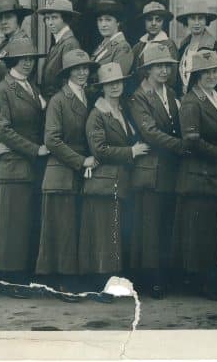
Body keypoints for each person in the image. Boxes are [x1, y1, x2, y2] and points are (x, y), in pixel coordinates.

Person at [174, 50, 217, 301]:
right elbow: (191, 141)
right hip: (197, 175)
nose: (212, 76)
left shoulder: (214, 97)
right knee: (200, 231)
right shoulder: (192, 101)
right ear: (196, 76)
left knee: (208, 230)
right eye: (206, 72)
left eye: (214, 71)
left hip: (210, 174)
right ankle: (203, 283)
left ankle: (206, 280)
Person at [81, 62, 150, 293]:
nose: (114, 87)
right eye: (109, 84)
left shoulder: (122, 110)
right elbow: (98, 149)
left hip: (119, 180)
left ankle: (112, 282)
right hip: (104, 181)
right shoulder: (97, 114)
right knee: (104, 233)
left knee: (114, 232)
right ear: (102, 87)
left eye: (118, 82)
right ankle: (101, 284)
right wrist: (131, 151)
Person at [0, 38, 49, 295]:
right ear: (11, 61)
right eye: (22, 59)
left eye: (31, 60)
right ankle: (7, 279)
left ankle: (19, 276)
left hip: (28, 168)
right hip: (12, 168)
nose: (27, 64)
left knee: (23, 224)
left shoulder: (31, 87)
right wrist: (35, 149)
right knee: (10, 226)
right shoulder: (3, 90)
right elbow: (4, 131)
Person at [128, 43, 186, 299]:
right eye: (158, 66)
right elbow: (149, 132)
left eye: (167, 66)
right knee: (150, 227)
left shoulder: (170, 92)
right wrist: (181, 146)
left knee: (165, 225)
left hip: (169, 168)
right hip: (151, 170)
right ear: (147, 70)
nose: (163, 70)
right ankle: (151, 280)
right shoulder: (139, 97)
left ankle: (163, 276)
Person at [37, 49, 96, 294]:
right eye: (77, 69)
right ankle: (64, 282)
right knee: (63, 228)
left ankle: (74, 277)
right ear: (68, 73)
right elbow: (52, 140)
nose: (82, 73)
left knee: (75, 227)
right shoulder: (59, 100)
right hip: (62, 171)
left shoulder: (90, 96)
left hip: (81, 171)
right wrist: (81, 161)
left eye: (86, 68)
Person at [175, 1, 217, 95]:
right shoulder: (184, 46)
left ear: (206, 21)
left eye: (200, 18)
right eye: (192, 18)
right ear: (187, 21)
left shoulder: (213, 47)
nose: (196, 23)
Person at [38, 0, 82, 100]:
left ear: (65, 18)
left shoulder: (69, 43)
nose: (50, 22)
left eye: (54, 17)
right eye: (47, 18)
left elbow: (69, 81)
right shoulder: (59, 41)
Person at [0, 0, 34, 87]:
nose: (3, 22)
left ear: (18, 18)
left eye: (8, 17)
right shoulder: (5, 43)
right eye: (0, 18)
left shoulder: (24, 44)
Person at [131, 2, 179, 76]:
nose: (153, 23)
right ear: (144, 22)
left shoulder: (169, 45)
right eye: (149, 19)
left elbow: (172, 76)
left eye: (158, 20)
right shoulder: (138, 46)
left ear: (163, 22)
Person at [90, 0, 134, 77]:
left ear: (118, 22)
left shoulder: (122, 47)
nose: (103, 24)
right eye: (100, 20)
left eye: (108, 20)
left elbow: (116, 79)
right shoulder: (102, 45)